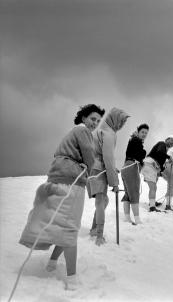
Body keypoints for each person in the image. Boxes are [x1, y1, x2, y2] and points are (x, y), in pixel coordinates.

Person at [19, 104, 105, 290]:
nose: (95, 123)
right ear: (83, 118)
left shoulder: (75, 132)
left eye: (98, 121)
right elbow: (90, 155)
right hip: (70, 182)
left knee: (62, 224)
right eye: (93, 119)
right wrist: (92, 171)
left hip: (61, 178)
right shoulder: (82, 131)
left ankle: (51, 263)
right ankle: (72, 279)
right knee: (69, 228)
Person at [88, 107, 129, 246]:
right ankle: (99, 235)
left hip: (94, 168)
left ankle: (94, 229)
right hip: (98, 169)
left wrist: (111, 169)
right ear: (114, 119)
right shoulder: (109, 133)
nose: (122, 125)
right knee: (101, 201)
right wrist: (115, 183)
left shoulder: (102, 129)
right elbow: (108, 157)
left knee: (103, 200)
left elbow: (103, 155)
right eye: (121, 121)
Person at [121, 123, 148, 225]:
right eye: (142, 132)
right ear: (138, 131)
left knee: (128, 193)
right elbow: (140, 155)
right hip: (131, 167)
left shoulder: (132, 140)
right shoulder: (137, 141)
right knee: (134, 192)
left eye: (146, 133)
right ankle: (137, 219)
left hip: (126, 167)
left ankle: (127, 218)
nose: (144, 134)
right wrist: (144, 152)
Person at [141, 136, 173, 212]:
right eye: (171, 140)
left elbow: (160, 159)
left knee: (153, 187)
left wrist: (163, 168)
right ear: (166, 139)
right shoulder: (162, 144)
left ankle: (152, 203)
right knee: (153, 187)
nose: (172, 142)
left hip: (151, 166)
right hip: (150, 165)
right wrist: (169, 157)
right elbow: (160, 152)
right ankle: (152, 207)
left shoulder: (164, 151)